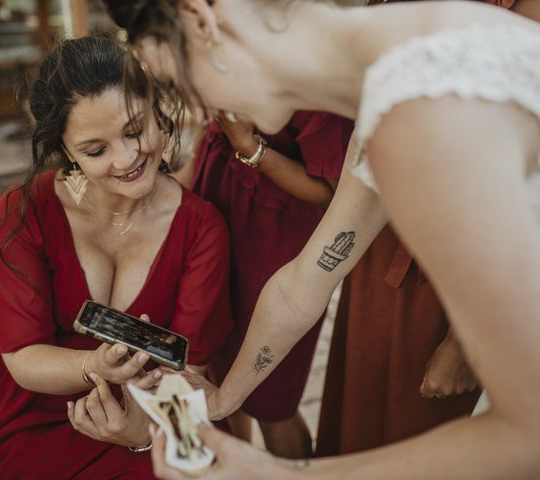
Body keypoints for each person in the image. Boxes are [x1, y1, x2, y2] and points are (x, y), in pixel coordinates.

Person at [105, 0, 540, 478]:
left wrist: (278, 474)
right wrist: (224, 397)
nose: (198, 109)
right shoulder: (402, 66)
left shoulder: (418, 111)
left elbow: (527, 434)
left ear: (202, 19)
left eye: (177, 84)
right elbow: (304, 283)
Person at [0, 35, 233, 479]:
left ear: (159, 110)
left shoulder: (202, 229)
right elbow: (22, 355)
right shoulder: (24, 212)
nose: (127, 158)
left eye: (136, 130)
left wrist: (141, 434)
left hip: (155, 404)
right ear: (66, 151)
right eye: (96, 150)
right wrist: (93, 366)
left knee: (201, 469)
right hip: (30, 410)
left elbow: (188, 369)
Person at [315, 0, 539, 456]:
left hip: (459, 274)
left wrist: (463, 342)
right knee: (356, 412)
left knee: (414, 436)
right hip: (383, 232)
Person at [188, 112, 353, 458]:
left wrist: (250, 147)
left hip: (275, 232)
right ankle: (234, 459)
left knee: (271, 398)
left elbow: (334, 193)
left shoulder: (319, 101)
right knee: (218, 361)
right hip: (219, 196)